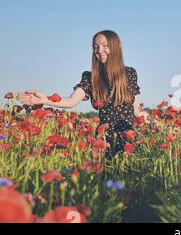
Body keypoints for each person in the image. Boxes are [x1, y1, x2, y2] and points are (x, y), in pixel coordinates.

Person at [17, 30, 153, 157]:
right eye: (95, 47)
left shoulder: (129, 74)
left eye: (105, 46)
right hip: (104, 141)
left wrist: (156, 124)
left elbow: (136, 110)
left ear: (116, 47)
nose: (99, 50)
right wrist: (44, 100)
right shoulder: (91, 77)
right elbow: (71, 101)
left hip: (128, 140)